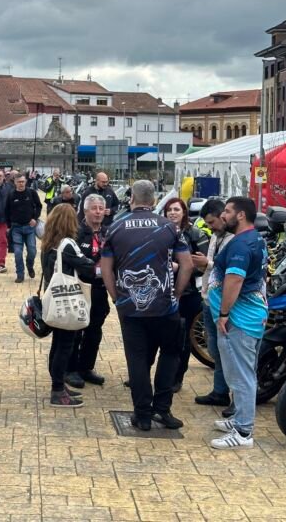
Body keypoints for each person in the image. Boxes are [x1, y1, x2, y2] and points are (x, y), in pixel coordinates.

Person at [101, 180, 193, 432]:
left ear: (131, 198)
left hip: (130, 307)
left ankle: (142, 415)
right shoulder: (169, 227)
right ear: (154, 201)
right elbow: (187, 265)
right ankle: (162, 409)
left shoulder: (115, 227)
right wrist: (176, 294)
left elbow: (106, 269)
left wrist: (116, 298)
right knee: (170, 355)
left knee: (137, 360)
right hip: (165, 306)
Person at [208, 197, 268, 450]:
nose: (223, 215)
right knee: (244, 373)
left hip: (239, 320)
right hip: (249, 316)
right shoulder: (254, 239)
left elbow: (234, 279)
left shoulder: (241, 245)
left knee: (241, 376)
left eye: (228, 211)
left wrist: (223, 313)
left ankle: (243, 432)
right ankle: (239, 419)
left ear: (241, 215)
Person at [41, 204, 96, 407]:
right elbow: (88, 266)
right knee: (65, 346)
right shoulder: (68, 244)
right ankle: (57, 390)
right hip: (67, 302)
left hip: (53, 299)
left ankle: (58, 386)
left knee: (57, 344)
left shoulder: (48, 243)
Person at [164, 197, 210, 392]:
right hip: (163, 294)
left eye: (177, 209)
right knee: (162, 337)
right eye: (169, 210)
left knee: (182, 339)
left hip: (188, 294)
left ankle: (177, 378)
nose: (172, 213)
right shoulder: (161, 232)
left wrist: (183, 267)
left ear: (184, 212)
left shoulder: (195, 234)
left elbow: (205, 265)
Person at [193, 199, 234, 411]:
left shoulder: (234, 239)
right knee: (214, 348)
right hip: (209, 299)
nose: (210, 227)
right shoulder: (215, 236)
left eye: (212, 222)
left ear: (223, 216)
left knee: (226, 349)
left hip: (222, 302)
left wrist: (206, 263)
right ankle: (220, 391)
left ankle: (227, 393)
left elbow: (230, 269)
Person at [65, 194, 110, 388]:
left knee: (94, 331)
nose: (98, 212)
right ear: (85, 211)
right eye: (94, 208)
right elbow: (76, 262)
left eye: (101, 208)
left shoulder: (108, 232)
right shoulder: (76, 233)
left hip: (99, 290)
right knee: (75, 330)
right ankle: (70, 369)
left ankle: (86, 367)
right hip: (79, 288)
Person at [5, 173, 42, 283]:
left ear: (25, 182)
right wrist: (8, 226)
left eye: (22, 181)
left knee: (32, 251)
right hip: (16, 228)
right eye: (19, 182)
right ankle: (20, 274)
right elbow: (6, 211)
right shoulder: (11, 195)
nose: (21, 184)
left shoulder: (32, 193)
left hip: (29, 227)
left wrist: (35, 218)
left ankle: (30, 266)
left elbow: (39, 206)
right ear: (15, 182)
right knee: (17, 253)